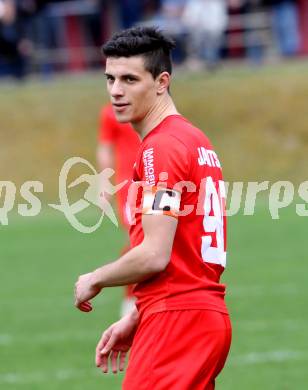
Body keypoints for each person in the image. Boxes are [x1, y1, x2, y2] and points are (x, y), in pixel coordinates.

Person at [74, 26, 231, 389]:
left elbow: (154, 254)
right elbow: (185, 253)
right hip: (197, 316)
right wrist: (141, 313)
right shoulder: (193, 138)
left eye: (130, 79)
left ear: (162, 82)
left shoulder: (161, 148)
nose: (116, 90)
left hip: (178, 323)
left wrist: (94, 279)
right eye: (110, 78)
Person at [97, 103, 141, 316]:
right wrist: (105, 184)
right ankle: (131, 301)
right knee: (137, 241)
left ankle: (137, 301)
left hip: (157, 179)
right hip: (128, 186)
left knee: (147, 242)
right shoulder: (110, 112)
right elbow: (105, 147)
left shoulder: (150, 106)